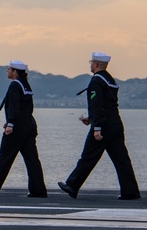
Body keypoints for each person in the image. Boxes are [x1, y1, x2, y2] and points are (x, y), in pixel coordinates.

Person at [58, 52, 140, 200]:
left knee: (88, 157)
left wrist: (96, 127)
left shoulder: (96, 81)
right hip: (115, 123)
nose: (90, 64)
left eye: (91, 62)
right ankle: (130, 191)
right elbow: (107, 105)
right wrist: (91, 118)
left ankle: (72, 185)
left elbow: (97, 105)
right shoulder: (110, 80)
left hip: (104, 126)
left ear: (95, 64)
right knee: (122, 160)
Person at [0, 61, 47, 197]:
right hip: (28, 126)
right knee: (32, 159)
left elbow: (15, 106)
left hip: (17, 129)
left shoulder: (15, 85)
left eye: (9, 69)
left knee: (5, 157)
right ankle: (38, 190)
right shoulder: (26, 86)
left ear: (15, 72)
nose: (7, 71)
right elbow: (26, 108)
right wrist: (11, 121)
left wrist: (10, 124)